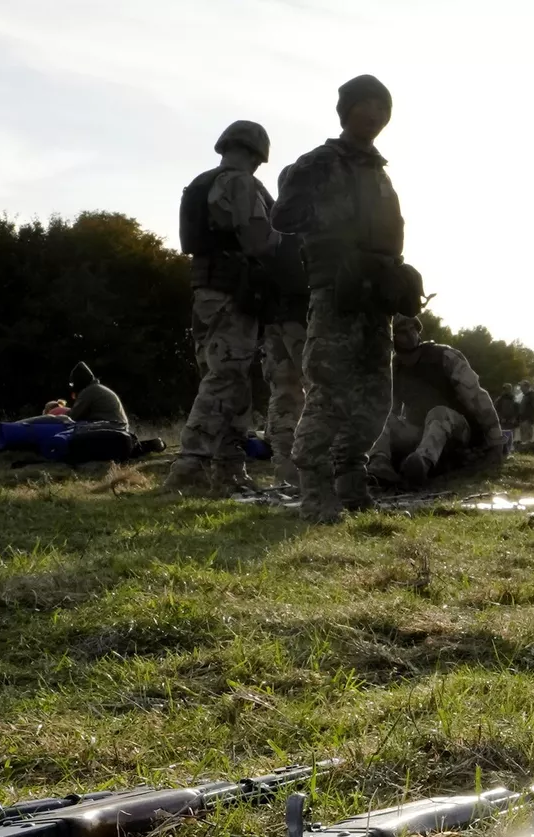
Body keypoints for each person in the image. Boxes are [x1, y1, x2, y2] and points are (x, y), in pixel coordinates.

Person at [275, 74, 414, 523]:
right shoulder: (319, 162)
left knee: (377, 397)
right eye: (365, 105)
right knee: (329, 393)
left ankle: (351, 485)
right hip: (337, 295)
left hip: (376, 299)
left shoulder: (380, 173)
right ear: (346, 110)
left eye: (382, 108)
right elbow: (285, 216)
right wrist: (330, 229)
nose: (374, 114)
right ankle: (314, 493)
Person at [166, 120, 275, 496]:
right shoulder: (240, 183)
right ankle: (191, 464)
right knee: (226, 378)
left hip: (206, 291)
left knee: (231, 381)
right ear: (256, 154)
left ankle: (229, 470)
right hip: (231, 293)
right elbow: (258, 239)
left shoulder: (200, 183)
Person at [367, 315, 504, 485]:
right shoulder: (395, 368)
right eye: (403, 331)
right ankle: (379, 464)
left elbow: (477, 398)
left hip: (458, 431)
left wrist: (495, 442)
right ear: (392, 338)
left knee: (438, 412)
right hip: (420, 431)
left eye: (413, 329)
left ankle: (420, 465)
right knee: (381, 418)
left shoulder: (445, 357)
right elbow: (390, 409)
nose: (410, 335)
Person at [261, 162, 310, 489]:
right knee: (322, 392)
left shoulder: (267, 227)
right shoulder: (305, 226)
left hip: (271, 324)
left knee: (283, 397)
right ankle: (319, 469)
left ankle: (284, 471)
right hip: (301, 320)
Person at [65, 363, 130, 431]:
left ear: (79, 382)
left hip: (113, 427)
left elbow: (73, 417)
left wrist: (59, 415)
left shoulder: (88, 391)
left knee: (77, 431)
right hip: (120, 426)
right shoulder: (97, 388)